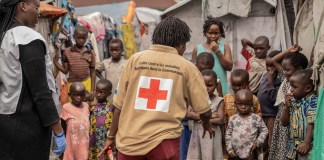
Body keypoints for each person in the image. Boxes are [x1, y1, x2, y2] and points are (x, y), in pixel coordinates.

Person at [99, 17, 215, 160]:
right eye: (185, 44)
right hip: (165, 144)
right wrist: (206, 123)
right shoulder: (187, 67)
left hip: (130, 143)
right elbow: (204, 109)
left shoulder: (134, 60)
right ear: (180, 43)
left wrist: (110, 136)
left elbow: (118, 107)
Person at [0, 0, 66, 159]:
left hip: (6, 120)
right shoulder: (27, 37)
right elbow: (40, 91)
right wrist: (57, 129)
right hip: (27, 125)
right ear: (22, 6)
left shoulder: (6, 35)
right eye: (36, 7)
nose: (39, 12)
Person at [268, 45, 309, 160]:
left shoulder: (300, 83)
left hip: (291, 123)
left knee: (286, 151)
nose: (284, 71)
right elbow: (273, 60)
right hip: (281, 119)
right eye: (284, 69)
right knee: (277, 149)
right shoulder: (285, 78)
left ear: (299, 69)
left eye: (287, 69)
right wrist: (288, 51)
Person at [187, 69, 224, 160]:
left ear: (216, 85)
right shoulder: (195, 98)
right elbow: (188, 114)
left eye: (210, 85)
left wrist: (198, 116)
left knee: (211, 155)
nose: (206, 88)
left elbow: (220, 120)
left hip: (212, 135)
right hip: (197, 135)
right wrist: (207, 117)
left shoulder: (219, 100)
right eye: (203, 85)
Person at [281, 69, 317, 160]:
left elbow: (312, 123)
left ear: (307, 88)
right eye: (290, 86)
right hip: (293, 147)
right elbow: (284, 123)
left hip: (307, 147)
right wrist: (286, 107)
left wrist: (306, 142)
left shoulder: (312, 101)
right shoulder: (293, 101)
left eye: (294, 87)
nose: (291, 90)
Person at [192, 17, 233, 95]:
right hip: (203, 92)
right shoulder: (197, 49)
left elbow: (229, 67)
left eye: (216, 33)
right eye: (210, 33)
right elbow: (193, 73)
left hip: (223, 91)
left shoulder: (224, 47)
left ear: (221, 33)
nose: (213, 36)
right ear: (205, 33)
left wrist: (217, 51)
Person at [54, 26, 96, 100]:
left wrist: (92, 90)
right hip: (72, 85)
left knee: (87, 106)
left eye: (84, 38)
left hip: (86, 83)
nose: (81, 40)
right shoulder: (67, 52)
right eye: (79, 38)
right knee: (73, 107)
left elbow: (92, 72)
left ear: (87, 38)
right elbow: (65, 70)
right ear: (74, 37)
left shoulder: (90, 53)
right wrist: (56, 63)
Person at [225, 89, 268, 160]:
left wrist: (258, 143)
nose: (243, 107)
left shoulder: (256, 118)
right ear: (235, 104)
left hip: (250, 153)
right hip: (234, 154)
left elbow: (265, 131)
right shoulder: (233, 119)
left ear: (251, 104)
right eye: (240, 104)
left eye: (246, 104)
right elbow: (228, 135)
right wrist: (230, 150)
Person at [256, 50, 282, 159]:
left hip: (272, 116)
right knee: (264, 142)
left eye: (272, 65)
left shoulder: (279, 80)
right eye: (267, 65)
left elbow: (273, 99)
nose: (269, 68)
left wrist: (271, 81)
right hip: (263, 115)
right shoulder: (265, 75)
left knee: (271, 143)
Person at [61, 82, 90, 160]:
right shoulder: (66, 107)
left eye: (81, 95)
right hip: (71, 145)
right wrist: (62, 146)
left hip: (84, 144)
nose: (79, 98)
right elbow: (63, 127)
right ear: (70, 95)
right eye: (76, 95)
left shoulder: (86, 106)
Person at [89, 79, 115, 160]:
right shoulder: (91, 106)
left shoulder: (111, 107)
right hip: (94, 140)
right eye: (97, 91)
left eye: (102, 92)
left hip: (107, 140)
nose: (98, 94)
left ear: (109, 93)